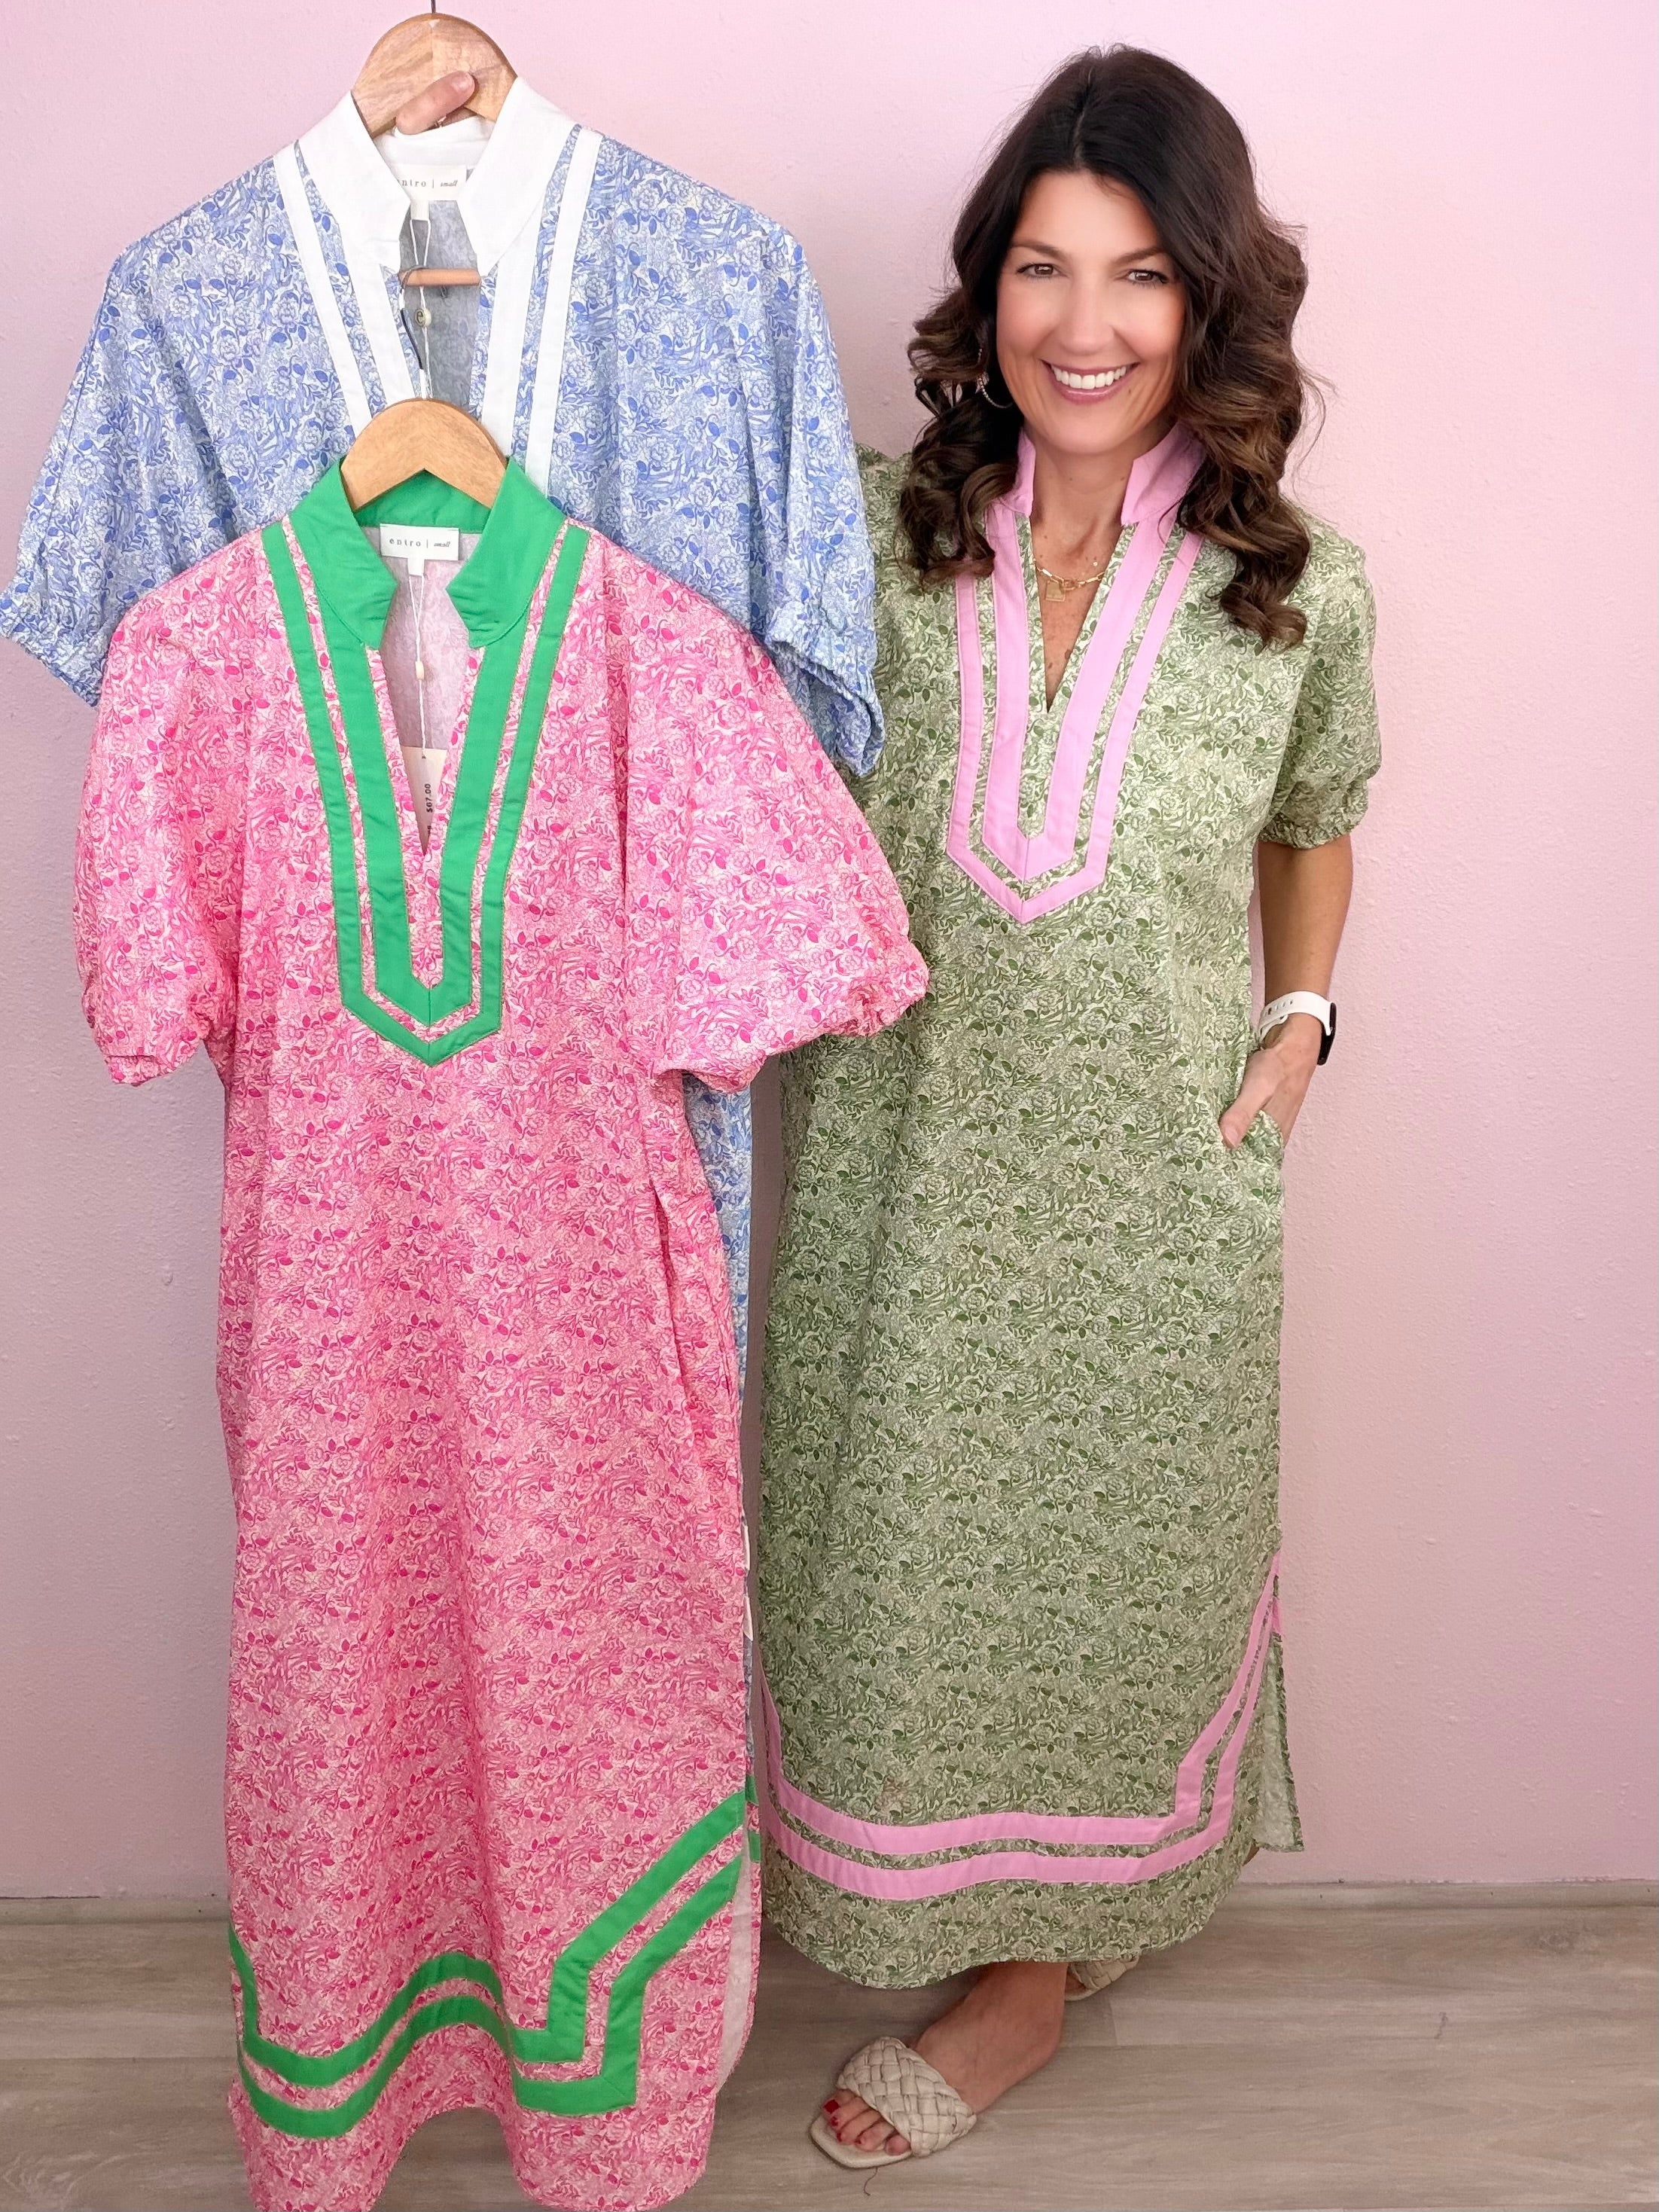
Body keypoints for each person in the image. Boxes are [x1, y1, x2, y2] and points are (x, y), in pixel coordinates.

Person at [753, 44, 1381, 2167]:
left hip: (1152, 1197)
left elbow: (1316, 815)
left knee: (1114, 1592)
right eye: (1041, 266)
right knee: (903, 1580)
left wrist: (1300, 1019)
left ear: (1207, 301)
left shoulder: (1298, 590)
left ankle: (1034, 1972)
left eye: (1137, 274)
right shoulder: (867, 534)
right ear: (986, 286)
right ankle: (962, 1916)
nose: (1083, 323)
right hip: (905, 1184)